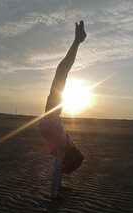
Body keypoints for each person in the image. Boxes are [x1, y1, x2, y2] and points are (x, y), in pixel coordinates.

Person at [39, 20, 86, 200]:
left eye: (77, 151)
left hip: (52, 112)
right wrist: (60, 187)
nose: (76, 147)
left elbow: (56, 169)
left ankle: (78, 40)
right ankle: (78, 40)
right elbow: (58, 169)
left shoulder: (61, 151)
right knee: (62, 70)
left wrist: (54, 194)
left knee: (62, 70)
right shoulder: (64, 148)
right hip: (53, 111)